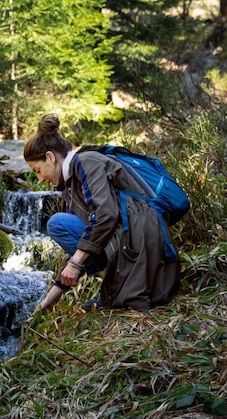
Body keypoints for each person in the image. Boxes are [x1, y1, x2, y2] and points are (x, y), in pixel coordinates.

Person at [24, 114, 180, 313]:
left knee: (57, 224)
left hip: (142, 247)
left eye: (38, 170)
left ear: (50, 157)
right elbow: (80, 246)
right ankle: (117, 285)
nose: (39, 179)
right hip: (131, 242)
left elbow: (106, 214)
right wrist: (47, 302)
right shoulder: (71, 185)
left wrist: (75, 263)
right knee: (66, 227)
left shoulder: (86, 162)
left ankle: (118, 285)